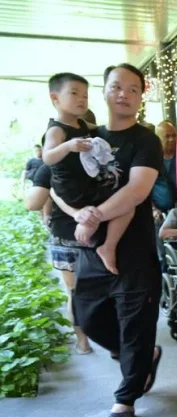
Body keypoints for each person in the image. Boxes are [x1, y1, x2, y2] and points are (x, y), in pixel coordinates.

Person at [49, 63, 165, 417]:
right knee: (86, 316)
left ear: (141, 96)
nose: (124, 95)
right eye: (117, 87)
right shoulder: (81, 136)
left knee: (135, 323)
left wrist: (95, 215)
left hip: (134, 249)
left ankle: (125, 398)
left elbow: (137, 190)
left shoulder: (145, 140)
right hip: (89, 247)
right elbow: (53, 184)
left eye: (133, 89)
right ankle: (142, 356)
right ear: (105, 91)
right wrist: (77, 213)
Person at [43, 72, 132, 276]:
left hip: (88, 187)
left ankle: (108, 245)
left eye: (85, 95)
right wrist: (67, 146)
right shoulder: (56, 131)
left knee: (127, 204)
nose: (82, 99)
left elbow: (104, 129)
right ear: (55, 98)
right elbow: (47, 157)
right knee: (122, 206)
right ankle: (104, 242)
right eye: (75, 94)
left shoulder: (82, 125)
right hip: (71, 191)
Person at [24, 162, 93, 355]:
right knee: (104, 289)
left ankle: (83, 342)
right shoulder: (96, 158)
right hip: (97, 230)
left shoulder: (49, 167)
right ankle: (113, 345)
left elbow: (32, 203)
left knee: (73, 291)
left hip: (65, 233)